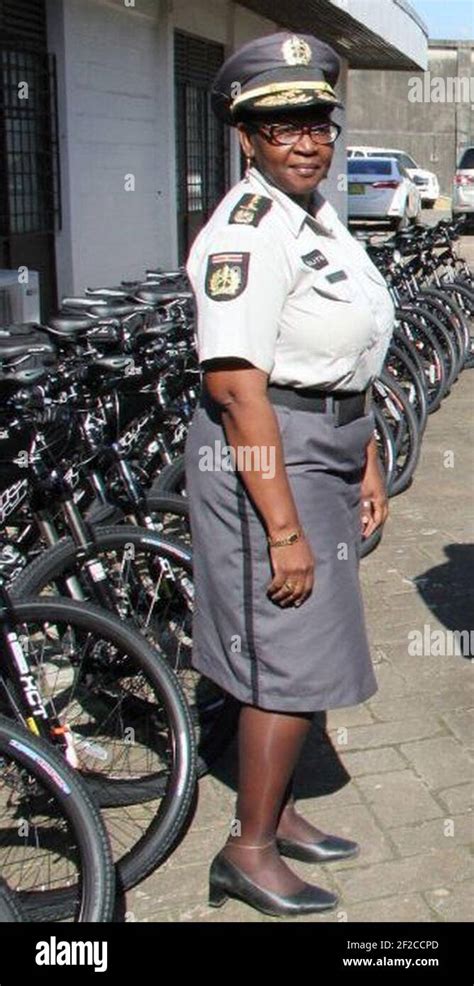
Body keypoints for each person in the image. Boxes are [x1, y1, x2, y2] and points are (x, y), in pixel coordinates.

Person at [184, 30, 394, 918]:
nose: (305, 142)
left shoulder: (314, 214)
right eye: (282, 127)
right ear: (246, 137)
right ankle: (248, 850)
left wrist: (368, 456)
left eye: (317, 123)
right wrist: (283, 532)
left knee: (311, 646)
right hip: (274, 455)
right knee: (288, 648)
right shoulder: (244, 235)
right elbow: (237, 392)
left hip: (328, 446)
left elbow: (348, 350)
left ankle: (279, 812)